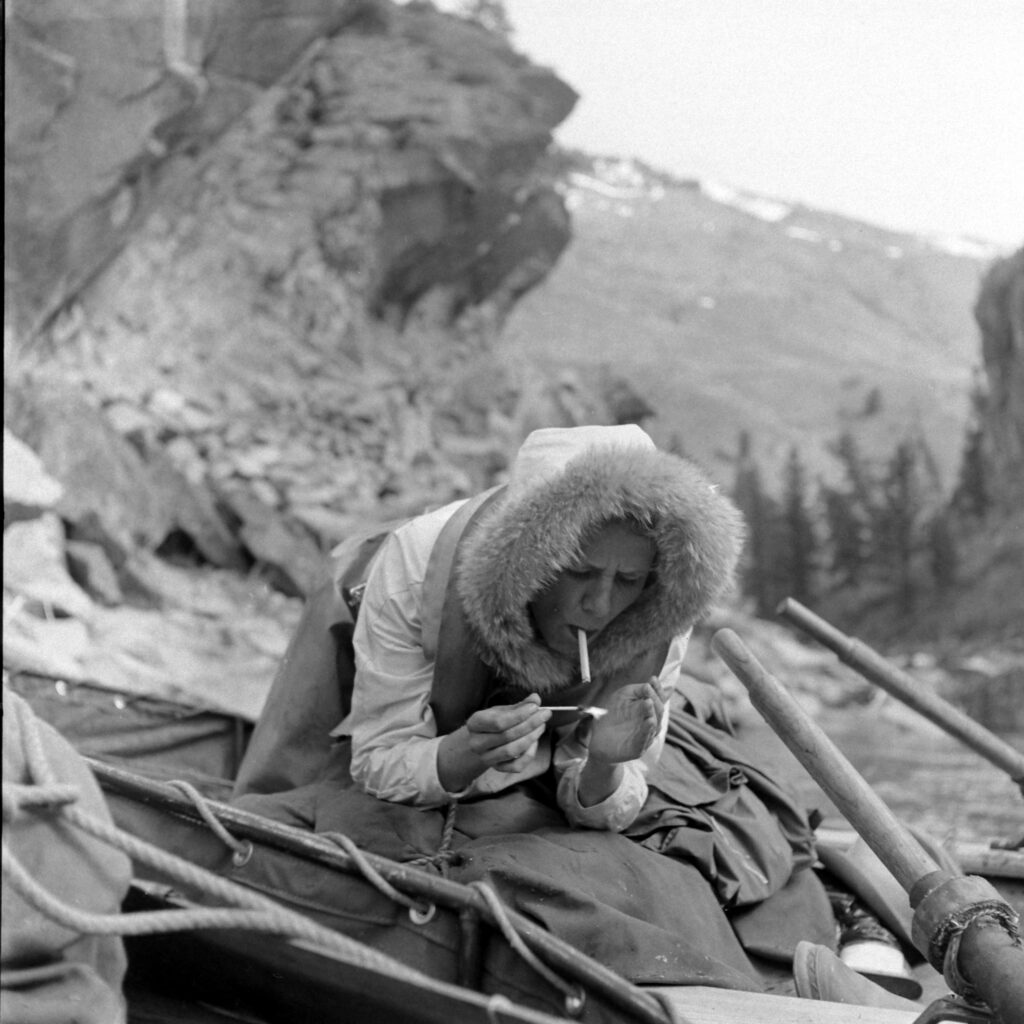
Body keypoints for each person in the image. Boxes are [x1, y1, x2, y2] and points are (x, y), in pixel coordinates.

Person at [234, 424, 899, 999]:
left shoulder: (662, 608)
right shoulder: (416, 569)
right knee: (293, 829)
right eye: (580, 572)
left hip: (538, 743)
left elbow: (619, 780)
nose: (600, 605)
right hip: (370, 685)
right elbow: (379, 754)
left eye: (626, 580)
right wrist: (456, 756)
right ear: (531, 556)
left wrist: (605, 767)